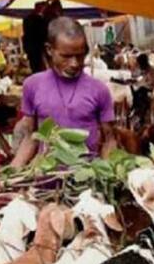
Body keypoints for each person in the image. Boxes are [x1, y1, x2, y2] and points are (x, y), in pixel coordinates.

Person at [9, 17, 116, 169]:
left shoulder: (99, 90)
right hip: (46, 181)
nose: (74, 63)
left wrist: (107, 173)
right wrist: (12, 172)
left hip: (86, 181)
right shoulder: (32, 85)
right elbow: (30, 137)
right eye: (66, 56)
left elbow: (109, 140)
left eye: (80, 55)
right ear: (49, 50)